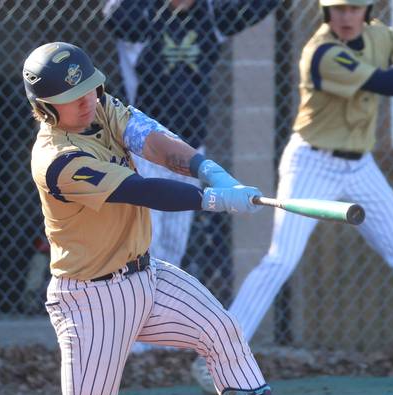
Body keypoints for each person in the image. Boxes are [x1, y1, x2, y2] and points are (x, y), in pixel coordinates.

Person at [0, 42, 321, 395]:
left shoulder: (99, 106)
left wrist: (208, 168)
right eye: (73, 96)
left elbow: (150, 138)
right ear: (45, 106)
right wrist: (211, 199)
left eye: (91, 88)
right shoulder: (56, 160)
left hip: (146, 274)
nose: (87, 99)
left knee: (221, 330)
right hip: (91, 297)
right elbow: (138, 190)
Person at [191, 0, 393, 392]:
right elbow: (391, 83)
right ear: (326, 14)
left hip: (361, 166)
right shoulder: (322, 52)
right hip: (312, 163)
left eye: (353, 9)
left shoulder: (378, 34)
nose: (345, 17)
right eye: (337, 10)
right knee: (280, 260)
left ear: (365, 11)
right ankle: (214, 357)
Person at [103, 0, 280, 353]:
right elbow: (113, 18)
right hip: (146, 149)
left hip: (190, 147)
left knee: (174, 243)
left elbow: (257, 8)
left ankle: (154, 327)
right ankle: (130, 327)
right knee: (145, 238)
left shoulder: (210, 14)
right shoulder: (141, 15)